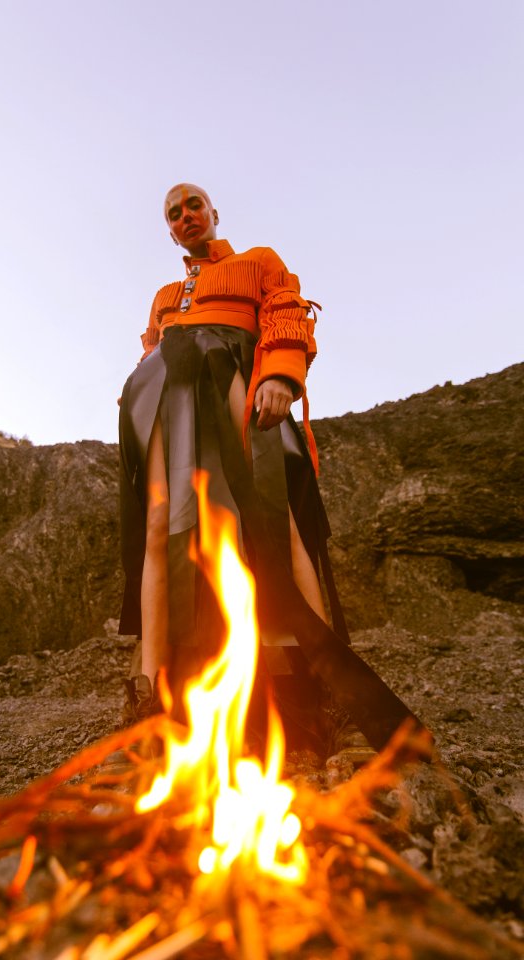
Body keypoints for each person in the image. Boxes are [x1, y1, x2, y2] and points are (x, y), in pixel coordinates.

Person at [119, 183, 423, 759]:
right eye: (172, 213)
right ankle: (151, 691)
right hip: (163, 391)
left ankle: (322, 681)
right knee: (160, 523)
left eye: (193, 206)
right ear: (168, 229)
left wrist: (281, 373)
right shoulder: (163, 294)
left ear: (213, 213)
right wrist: (136, 388)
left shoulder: (259, 261)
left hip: (232, 370)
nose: (184, 216)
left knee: (272, 515)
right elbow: (151, 347)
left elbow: (285, 310)